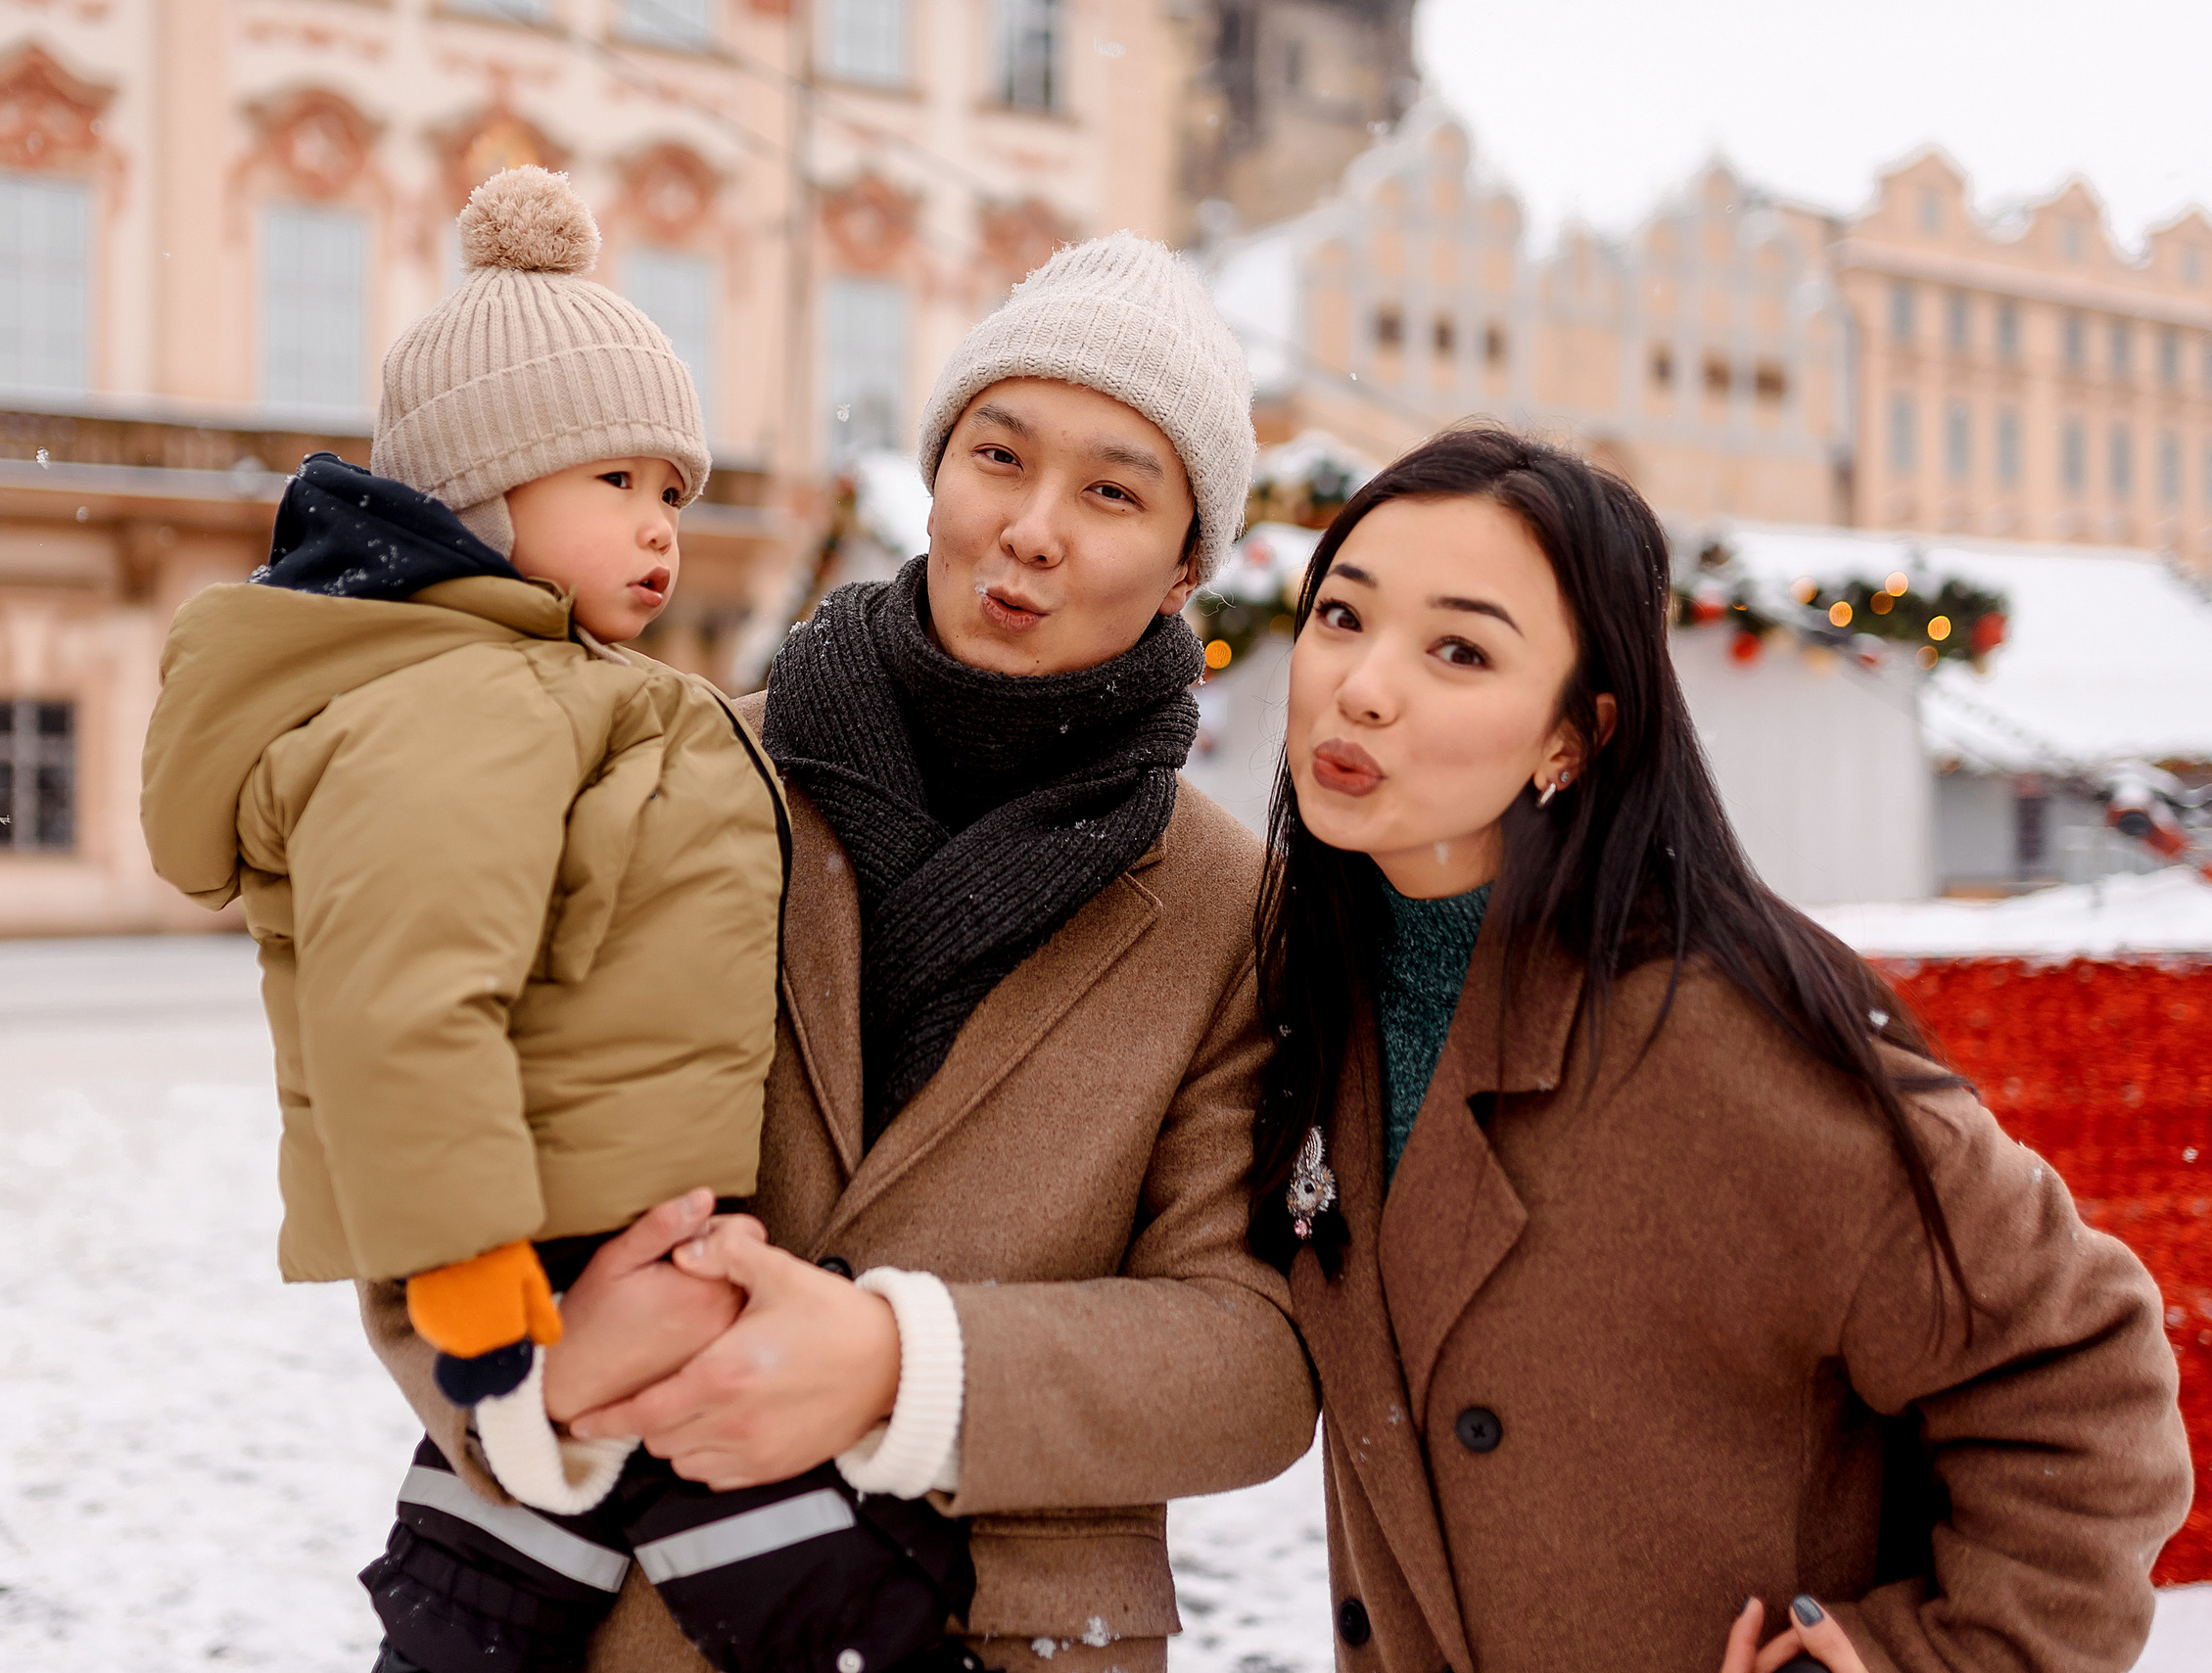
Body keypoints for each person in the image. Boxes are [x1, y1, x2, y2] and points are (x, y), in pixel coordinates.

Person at [359, 230, 1319, 1672]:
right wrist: (532, 1378)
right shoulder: (663, 767)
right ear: (937, 471)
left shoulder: (1229, 907)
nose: (1034, 526)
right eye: (999, 455)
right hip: (596, 1612)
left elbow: (1251, 1357)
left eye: (1113, 490)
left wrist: (895, 1363)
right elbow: (428, 1129)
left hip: (990, 1629)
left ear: (1192, 562)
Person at [142, 167, 972, 1673]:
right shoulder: (454, 705)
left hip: (616, 1207)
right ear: (481, 488)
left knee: (545, 1544)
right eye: (616, 484)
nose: (662, 529)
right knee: (790, 1561)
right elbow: (405, 1003)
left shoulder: (556, 682)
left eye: (674, 491)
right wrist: (475, 1283)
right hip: (539, 1231)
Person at [1248, 426, 2191, 1673]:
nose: (1361, 684)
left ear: (1572, 736)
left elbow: (2084, 1375)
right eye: (1341, 615)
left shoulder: (1716, 1040)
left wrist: (1933, 1657)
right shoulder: (1309, 996)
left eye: (1459, 648)